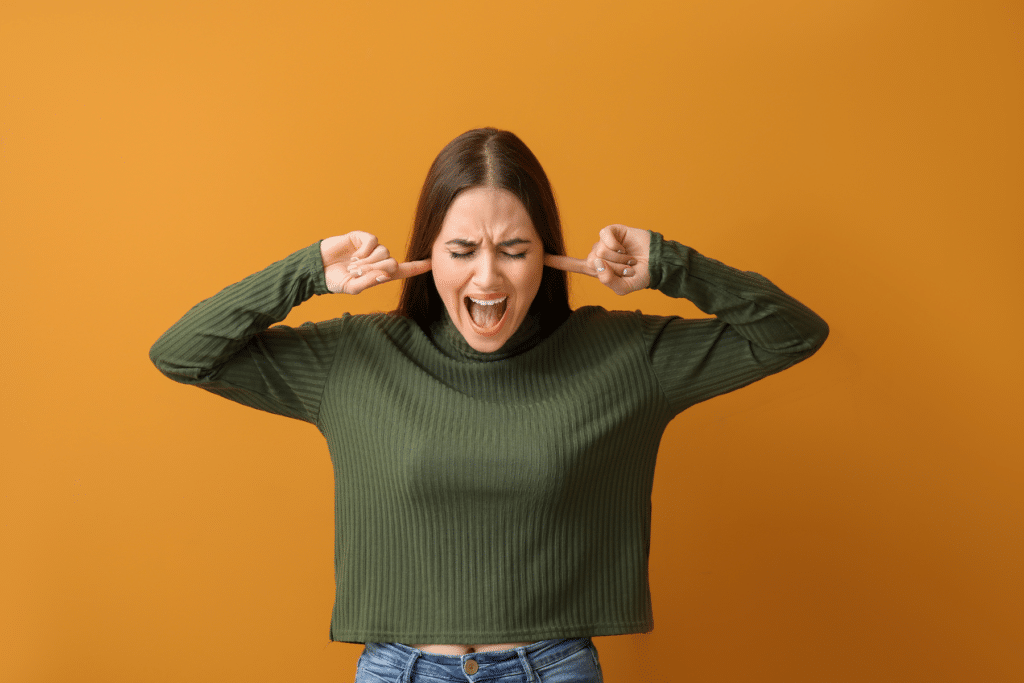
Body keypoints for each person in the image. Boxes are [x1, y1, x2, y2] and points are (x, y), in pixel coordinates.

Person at [150, 127, 829, 683]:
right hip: (399, 668)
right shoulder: (355, 360)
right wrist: (308, 272)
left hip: (552, 666)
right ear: (427, 258)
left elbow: (793, 333)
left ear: (548, 258)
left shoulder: (623, 357)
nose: (487, 277)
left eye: (514, 249)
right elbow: (183, 352)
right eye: (462, 249)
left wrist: (674, 264)